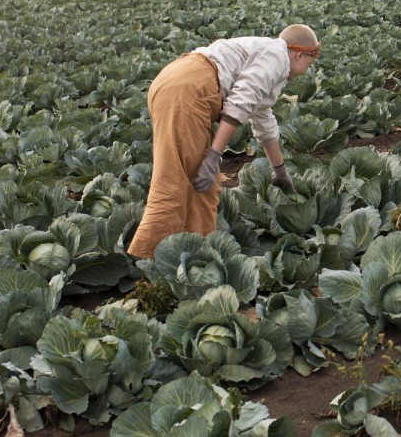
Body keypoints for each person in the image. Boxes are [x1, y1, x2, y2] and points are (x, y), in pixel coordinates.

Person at [127, 24, 321, 260]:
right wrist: (213, 156)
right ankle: (150, 262)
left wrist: (279, 171)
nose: (304, 72)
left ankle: (195, 253)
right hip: (189, 90)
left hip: (179, 81)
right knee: (175, 182)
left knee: (203, 185)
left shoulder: (268, 58)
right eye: (308, 66)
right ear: (299, 54)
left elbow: (263, 120)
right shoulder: (277, 56)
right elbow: (240, 102)